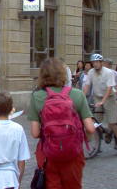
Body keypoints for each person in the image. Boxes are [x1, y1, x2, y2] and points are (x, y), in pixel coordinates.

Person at [28, 58, 95, 189]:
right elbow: (90, 129)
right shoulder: (77, 94)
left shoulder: (37, 96)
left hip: (49, 154)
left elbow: (35, 133)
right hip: (73, 153)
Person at [82, 54, 117, 150]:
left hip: (109, 98)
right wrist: (82, 98)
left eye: (97, 62)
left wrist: (103, 101)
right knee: (95, 122)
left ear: (101, 63)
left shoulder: (108, 72)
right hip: (97, 97)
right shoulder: (91, 72)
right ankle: (97, 145)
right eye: (93, 63)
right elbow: (87, 86)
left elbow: (109, 88)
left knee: (112, 123)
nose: (95, 64)